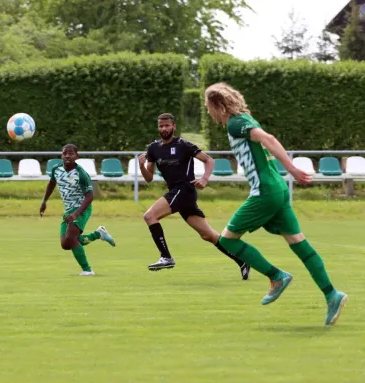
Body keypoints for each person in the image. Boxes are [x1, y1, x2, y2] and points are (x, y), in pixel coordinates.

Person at [204, 82, 347, 326]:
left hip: (266, 192)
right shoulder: (246, 119)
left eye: (208, 106)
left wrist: (291, 168)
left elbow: (267, 138)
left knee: (227, 240)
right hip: (277, 190)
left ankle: (276, 277)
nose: (207, 111)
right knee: (299, 243)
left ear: (218, 106)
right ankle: (332, 294)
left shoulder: (236, 123)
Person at [139, 113, 250, 279]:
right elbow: (148, 178)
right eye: (161, 126)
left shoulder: (183, 145)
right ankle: (242, 261)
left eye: (167, 125)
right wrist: (141, 166)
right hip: (177, 193)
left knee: (149, 216)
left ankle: (166, 257)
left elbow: (209, 160)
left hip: (184, 190)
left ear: (174, 126)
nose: (164, 129)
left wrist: (205, 179)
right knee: (209, 235)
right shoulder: (153, 148)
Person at [40, 144, 116, 276]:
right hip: (69, 210)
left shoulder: (81, 173)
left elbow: (90, 196)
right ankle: (98, 234)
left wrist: (76, 214)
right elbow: (52, 183)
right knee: (65, 244)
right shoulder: (56, 169)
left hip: (82, 209)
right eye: (65, 153)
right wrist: (44, 201)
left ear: (77, 156)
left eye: (71, 153)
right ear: (61, 155)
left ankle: (87, 270)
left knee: (70, 238)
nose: (67, 155)